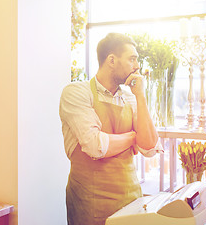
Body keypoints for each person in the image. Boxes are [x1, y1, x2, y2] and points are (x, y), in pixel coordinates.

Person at [59, 33, 161, 225]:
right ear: (111, 60)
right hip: (90, 204)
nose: (137, 66)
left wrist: (141, 96)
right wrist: (132, 137)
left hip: (131, 200)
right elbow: (96, 146)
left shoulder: (131, 97)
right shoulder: (77, 92)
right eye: (132, 59)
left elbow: (148, 148)